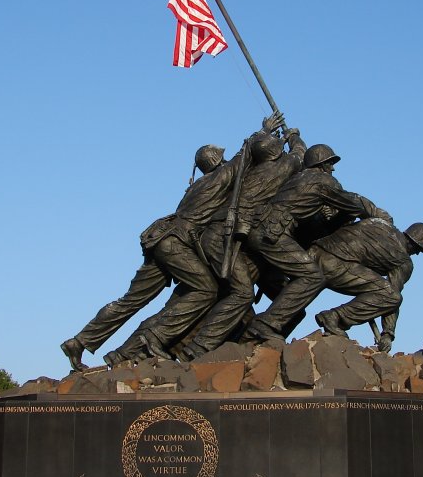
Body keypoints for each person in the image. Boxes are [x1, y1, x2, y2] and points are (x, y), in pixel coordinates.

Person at [61, 114, 283, 371]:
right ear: (217, 161)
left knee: (131, 300)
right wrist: (264, 131)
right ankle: (153, 337)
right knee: (206, 290)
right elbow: (243, 158)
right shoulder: (219, 177)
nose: (225, 160)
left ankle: (80, 341)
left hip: (161, 239)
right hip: (175, 243)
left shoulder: (197, 185)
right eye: (221, 158)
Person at [180, 126, 307, 358]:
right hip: (224, 237)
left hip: (236, 239)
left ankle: (247, 345)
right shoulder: (280, 167)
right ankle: (199, 347)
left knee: (279, 302)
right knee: (242, 293)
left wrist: (265, 133)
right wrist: (293, 136)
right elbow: (300, 153)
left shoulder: (243, 175)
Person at [245, 144, 392, 341]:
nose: (333, 168)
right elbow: (352, 203)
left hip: (263, 228)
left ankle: (252, 339)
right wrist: (376, 214)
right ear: (321, 164)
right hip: (272, 232)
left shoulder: (299, 178)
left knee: (296, 305)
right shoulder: (323, 180)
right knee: (313, 277)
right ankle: (264, 326)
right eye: (330, 163)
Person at [310, 219, 423, 352]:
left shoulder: (381, 223)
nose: (416, 253)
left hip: (312, 253)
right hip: (335, 266)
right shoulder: (403, 261)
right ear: (413, 243)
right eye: (418, 250)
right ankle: (335, 317)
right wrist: (388, 334)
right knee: (392, 296)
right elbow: (392, 296)